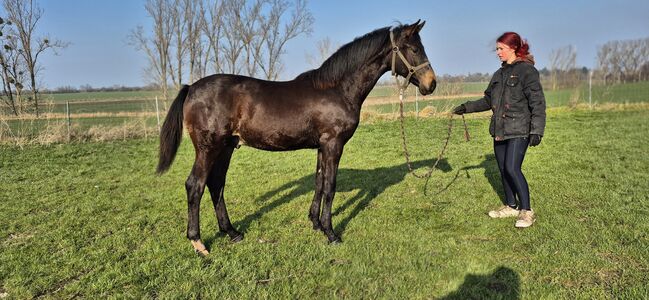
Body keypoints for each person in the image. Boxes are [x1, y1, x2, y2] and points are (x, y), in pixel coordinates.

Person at [453, 32, 546, 228]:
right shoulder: (499, 74)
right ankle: (511, 205)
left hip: (519, 129)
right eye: (497, 49)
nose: (497, 52)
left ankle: (526, 211)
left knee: (513, 168)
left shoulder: (527, 72)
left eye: (501, 48)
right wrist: (466, 107)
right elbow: (488, 100)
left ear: (513, 48)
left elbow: (537, 102)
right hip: (499, 129)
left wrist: (537, 129)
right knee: (504, 169)